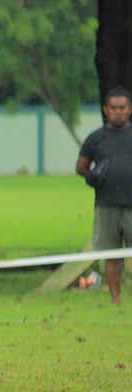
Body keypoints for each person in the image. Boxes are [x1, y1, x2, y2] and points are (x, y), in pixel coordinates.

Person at [76, 87, 132, 305]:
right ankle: (115, 299)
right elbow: (81, 166)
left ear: (130, 109)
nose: (118, 111)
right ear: (105, 110)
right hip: (106, 204)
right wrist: (92, 177)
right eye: (113, 108)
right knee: (111, 255)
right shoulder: (96, 139)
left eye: (122, 107)